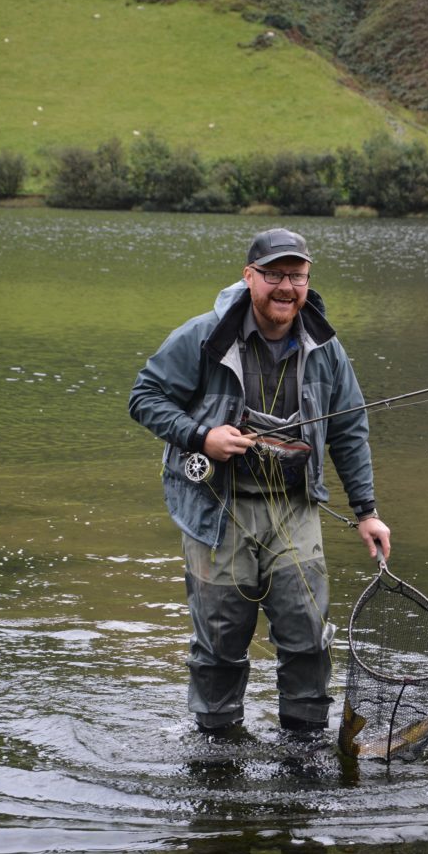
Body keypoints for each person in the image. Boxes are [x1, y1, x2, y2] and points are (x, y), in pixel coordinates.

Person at [129, 227, 390, 736]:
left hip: (295, 507)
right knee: (220, 644)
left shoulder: (326, 348)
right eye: (274, 275)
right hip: (217, 508)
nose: (286, 287)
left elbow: (349, 429)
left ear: (308, 280)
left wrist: (367, 512)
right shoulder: (203, 336)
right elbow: (144, 397)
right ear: (250, 277)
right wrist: (201, 436)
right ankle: (217, 745)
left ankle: (305, 745)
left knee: (309, 637)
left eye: (296, 275)